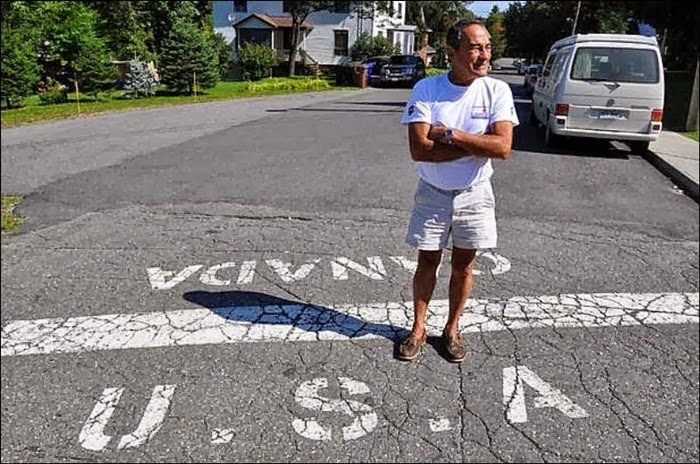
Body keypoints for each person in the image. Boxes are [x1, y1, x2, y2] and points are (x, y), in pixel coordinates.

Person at [398, 19, 519, 363]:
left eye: (488, 47)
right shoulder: (427, 89)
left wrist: (452, 135)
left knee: (464, 267)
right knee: (427, 263)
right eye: (475, 48)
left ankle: (451, 328)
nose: (484, 55)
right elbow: (419, 150)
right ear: (452, 53)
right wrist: (481, 144)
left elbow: (504, 148)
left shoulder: (497, 91)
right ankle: (418, 328)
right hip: (433, 191)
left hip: (475, 192)